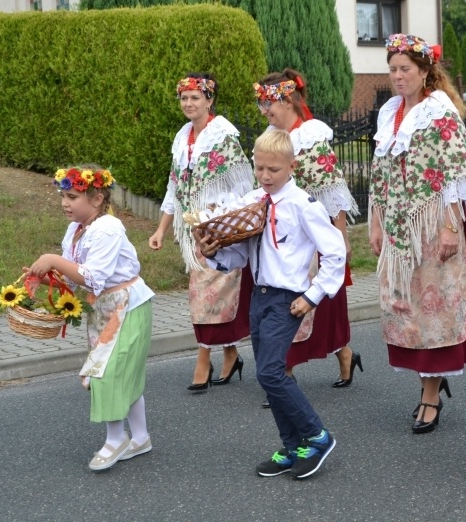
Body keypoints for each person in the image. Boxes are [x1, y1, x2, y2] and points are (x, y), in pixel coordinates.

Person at [195, 129, 345, 479]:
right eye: (259, 168)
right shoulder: (253, 201)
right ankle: (293, 446)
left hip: (286, 300)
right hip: (258, 296)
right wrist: (214, 252)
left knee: (270, 372)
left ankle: (317, 436)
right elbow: (239, 255)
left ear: (291, 166)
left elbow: (335, 253)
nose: (265, 176)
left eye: (273, 170)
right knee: (268, 376)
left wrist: (313, 295)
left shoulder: (303, 205)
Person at [368, 33, 466, 435]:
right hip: (398, 228)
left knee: (433, 311)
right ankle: (426, 384)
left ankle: (430, 394)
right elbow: (380, 174)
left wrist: (452, 227)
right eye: (393, 69)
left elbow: (457, 173)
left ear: (423, 71)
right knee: (407, 309)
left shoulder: (440, 112)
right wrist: (377, 221)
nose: (398, 76)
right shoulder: (389, 112)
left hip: (432, 223)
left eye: (405, 70)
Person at [26, 165, 156, 471]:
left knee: (107, 372)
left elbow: (95, 277)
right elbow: (76, 279)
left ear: (97, 199)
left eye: (72, 196)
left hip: (127, 307)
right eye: (63, 195)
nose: (64, 202)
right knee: (120, 372)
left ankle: (116, 439)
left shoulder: (107, 228)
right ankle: (140, 437)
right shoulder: (76, 230)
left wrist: (54, 260)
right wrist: (49, 279)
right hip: (105, 309)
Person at [254, 69, 362, 391]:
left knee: (318, 307)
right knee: (283, 303)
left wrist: (341, 236)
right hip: (278, 236)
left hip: (312, 236)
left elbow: (333, 189)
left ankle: (343, 355)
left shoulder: (311, 136)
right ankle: (282, 373)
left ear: (287, 100)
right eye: (261, 105)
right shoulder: (274, 139)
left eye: (267, 104)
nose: (264, 111)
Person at [149, 73, 254, 391]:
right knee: (209, 298)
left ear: (210, 100)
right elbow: (174, 187)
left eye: (196, 97)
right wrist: (161, 229)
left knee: (206, 297)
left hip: (220, 230)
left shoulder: (223, 136)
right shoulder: (183, 139)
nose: (189, 103)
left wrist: (232, 226)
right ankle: (231, 353)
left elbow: (243, 185)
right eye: (184, 98)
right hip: (193, 230)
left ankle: (203, 359)